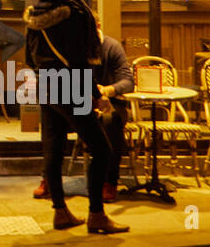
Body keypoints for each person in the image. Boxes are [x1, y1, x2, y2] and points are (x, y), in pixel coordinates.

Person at [24, 0, 128, 235]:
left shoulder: (35, 11)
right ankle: (96, 215)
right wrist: (94, 94)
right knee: (102, 149)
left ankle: (60, 212)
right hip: (72, 86)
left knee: (53, 150)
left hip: (46, 85)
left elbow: (28, 57)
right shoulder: (78, 11)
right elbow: (82, 59)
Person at [33, 32, 134, 203]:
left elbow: (128, 81)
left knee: (111, 121)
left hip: (106, 102)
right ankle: (50, 179)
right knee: (53, 122)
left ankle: (109, 182)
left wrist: (107, 90)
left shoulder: (112, 47)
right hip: (80, 101)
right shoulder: (75, 45)